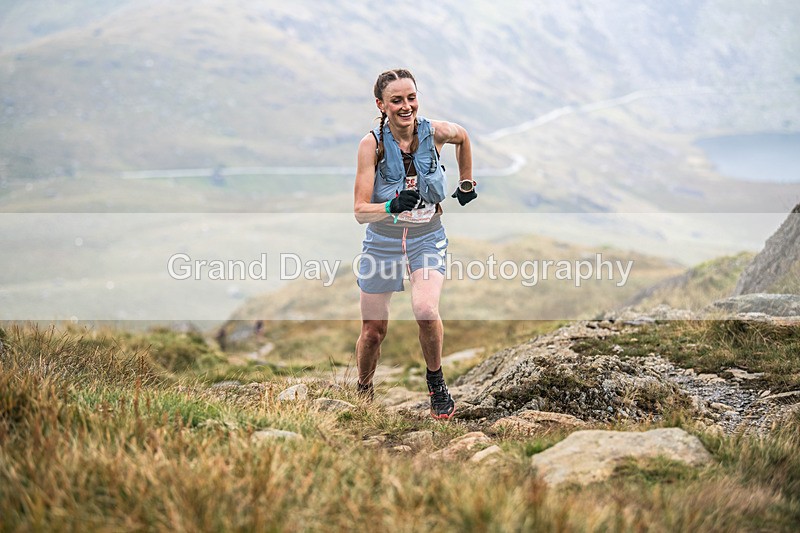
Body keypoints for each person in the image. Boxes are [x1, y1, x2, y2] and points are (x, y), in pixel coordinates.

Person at [353, 68, 477, 420]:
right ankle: (364, 390)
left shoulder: (435, 132)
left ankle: (436, 383)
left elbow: (464, 137)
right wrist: (390, 206)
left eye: (411, 98)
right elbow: (361, 211)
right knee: (373, 331)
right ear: (381, 105)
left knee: (425, 311)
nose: (406, 106)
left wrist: (466, 182)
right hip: (383, 240)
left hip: (427, 236)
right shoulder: (371, 145)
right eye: (396, 100)